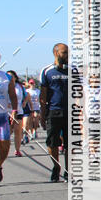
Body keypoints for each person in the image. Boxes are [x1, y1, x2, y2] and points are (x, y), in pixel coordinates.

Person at [40, 44, 69, 181]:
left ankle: (68, 170)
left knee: (71, 144)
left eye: (68, 52)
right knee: (52, 143)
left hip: (70, 112)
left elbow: (79, 92)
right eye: (64, 52)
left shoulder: (73, 70)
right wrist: (42, 115)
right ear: (56, 53)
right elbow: (43, 95)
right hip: (53, 111)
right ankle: (56, 167)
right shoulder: (47, 71)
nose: (67, 55)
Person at [0, 51, 18, 182]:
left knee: (5, 146)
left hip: (2, 116)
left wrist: (14, 110)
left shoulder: (6, 77)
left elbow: (13, 96)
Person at [7, 71, 27, 157]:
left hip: (18, 111)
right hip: (7, 113)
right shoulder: (4, 85)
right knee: (8, 132)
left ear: (15, 77)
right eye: (8, 76)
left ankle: (17, 150)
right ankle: (4, 149)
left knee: (17, 131)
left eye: (11, 76)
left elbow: (26, 95)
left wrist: (25, 102)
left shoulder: (20, 86)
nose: (10, 78)